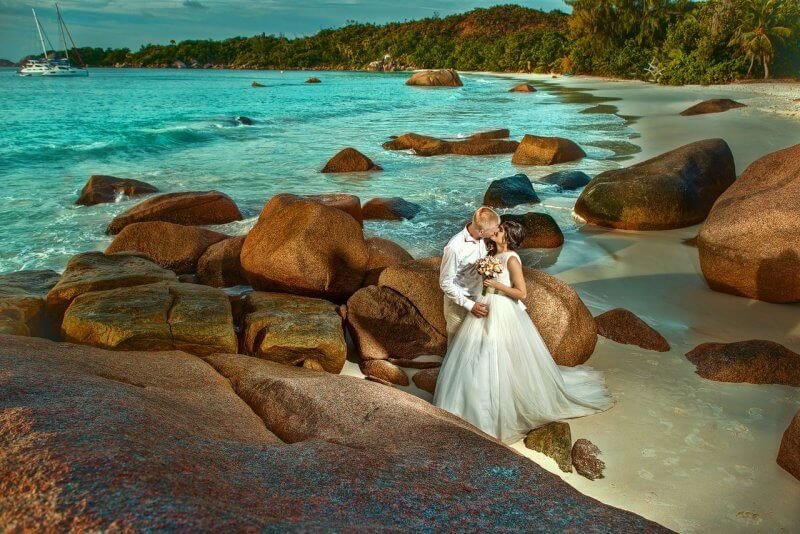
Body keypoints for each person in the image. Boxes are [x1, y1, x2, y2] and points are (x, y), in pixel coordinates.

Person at [434, 220, 613, 443]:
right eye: (496, 229)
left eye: (499, 231)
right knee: (475, 352)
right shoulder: (489, 253)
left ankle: (500, 406)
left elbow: (522, 293)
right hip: (484, 304)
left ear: (507, 238)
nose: (495, 232)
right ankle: (467, 404)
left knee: (499, 356)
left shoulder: (512, 258)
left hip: (503, 310)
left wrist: (495, 285)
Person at [439, 207, 501, 340]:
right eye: (495, 228)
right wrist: (470, 305)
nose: (497, 230)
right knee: (456, 345)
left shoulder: (485, 239)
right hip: (459, 305)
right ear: (481, 231)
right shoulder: (455, 248)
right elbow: (445, 283)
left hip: (480, 297)